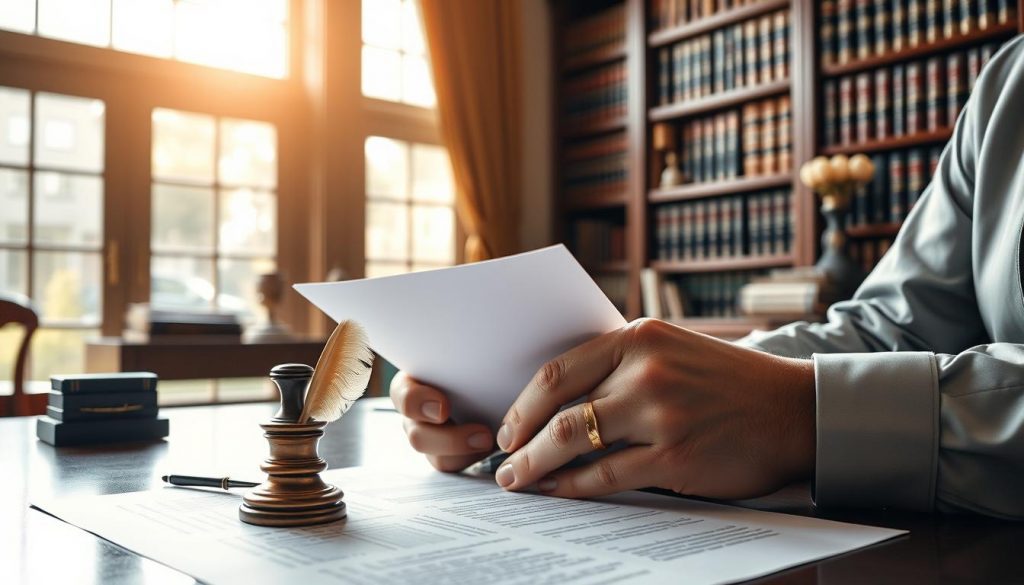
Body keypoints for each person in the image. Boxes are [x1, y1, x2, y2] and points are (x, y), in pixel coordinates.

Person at [391, 36, 1024, 520]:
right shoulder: (1007, 88)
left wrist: (804, 414)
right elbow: (891, 328)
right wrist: (617, 400)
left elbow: (815, 391)